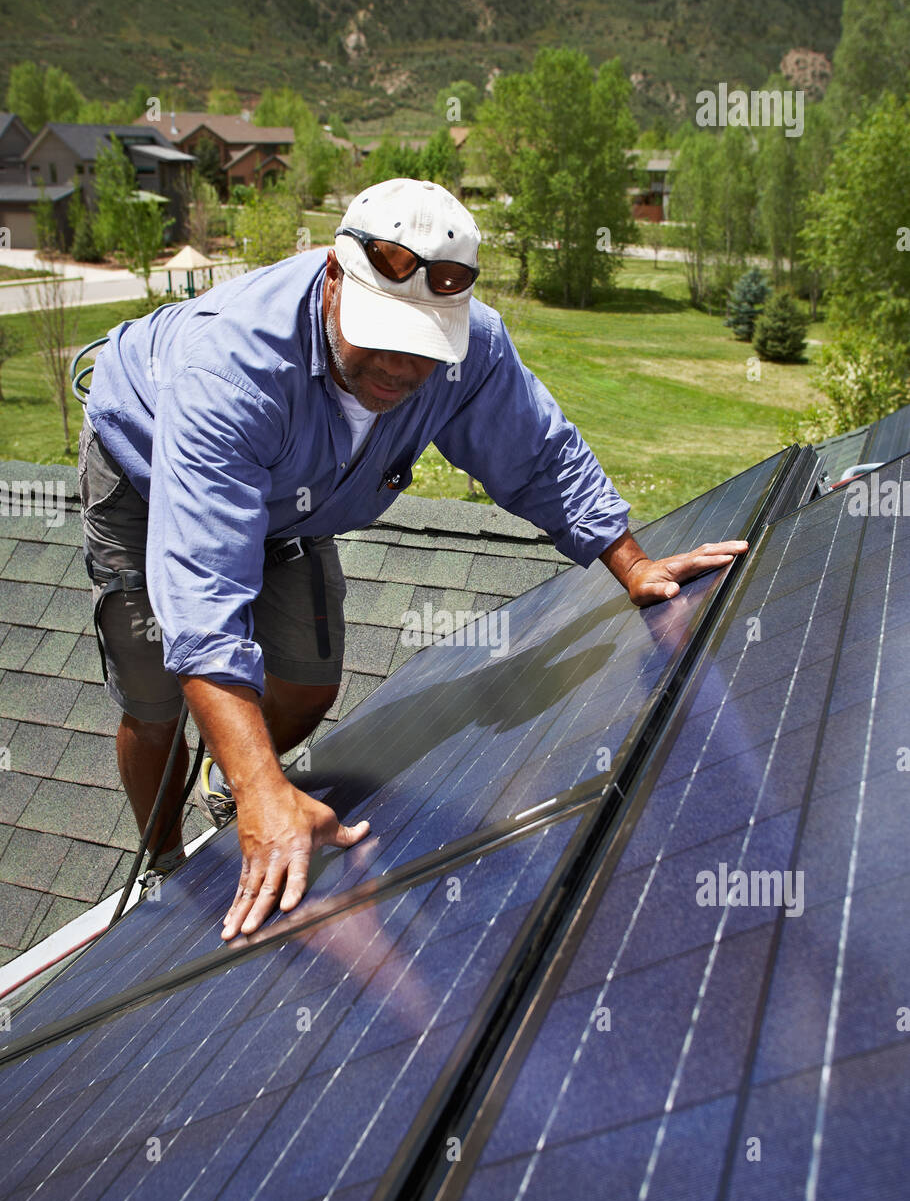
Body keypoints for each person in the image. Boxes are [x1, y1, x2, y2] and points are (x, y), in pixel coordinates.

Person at [80, 177, 746, 941]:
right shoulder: (233, 372)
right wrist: (262, 786)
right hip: (148, 468)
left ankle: (231, 768)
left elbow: (538, 455)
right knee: (158, 688)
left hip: (297, 490)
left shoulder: (475, 350)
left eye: (424, 349)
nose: (400, 369)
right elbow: (203, 593)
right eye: (383, 337)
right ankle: (172, 868)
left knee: (307, 682)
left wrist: (632, 565)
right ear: (334, 279)